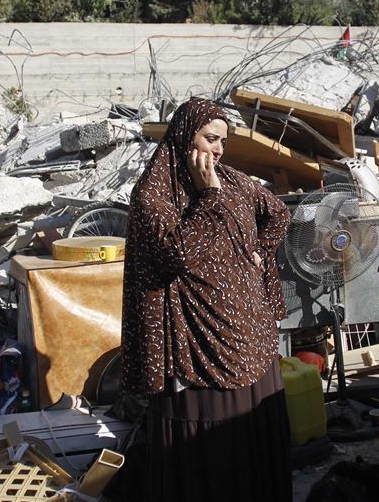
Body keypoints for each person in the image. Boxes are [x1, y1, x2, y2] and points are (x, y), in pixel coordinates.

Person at [120, 97, 293, 502]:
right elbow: (177, 254)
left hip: (247, 326)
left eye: (222, 143)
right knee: (209, 438)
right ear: (184, 137)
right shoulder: (154, 196)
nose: (216, 150)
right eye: (209, 138)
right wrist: (208, 197)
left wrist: (259, 252)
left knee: (253, 423)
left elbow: (279, 213)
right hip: (195, 336)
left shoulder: (232, 180)